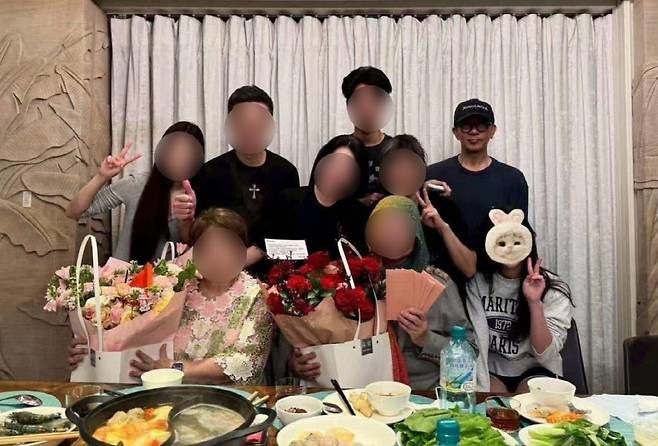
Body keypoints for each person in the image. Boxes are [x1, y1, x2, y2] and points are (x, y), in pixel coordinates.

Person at [69, 208, 274, 385]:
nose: (217, 256)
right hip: (165, 390)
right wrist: (94, 348)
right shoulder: (174, 287)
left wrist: (175, 368)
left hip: (231, 400)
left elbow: (246, 362)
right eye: (208, 248)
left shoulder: (256, 294)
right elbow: (130, 331)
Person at [173, 86, 299, 278]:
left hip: (270, 274)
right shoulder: (210, 171)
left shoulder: (286, 172)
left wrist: (239, 261)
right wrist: (185, 219)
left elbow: (284, 234)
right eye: (242, 122)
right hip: (217, 271)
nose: (250, 129)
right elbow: (192, 237)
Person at [66, 121, 205, 263]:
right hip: (123, 275)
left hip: (170, 276)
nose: (179, 157)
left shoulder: (205, 193)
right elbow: (74, 211)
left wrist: (185, 220)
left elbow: (195, 248)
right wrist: (101, 176)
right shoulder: (137, 184)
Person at [466, 211, 574, 393]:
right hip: (490, 369)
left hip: (537, 369)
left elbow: (546, 355)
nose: (509, 248)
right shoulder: (478, 283)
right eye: (501, 242)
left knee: (528, 403)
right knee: (495, 404)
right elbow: (478, 338)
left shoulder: (553, 289)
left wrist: (534, 302)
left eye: (516, 242)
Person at [426, 99, 529, 265]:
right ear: (456, 132)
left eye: (481, 125)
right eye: (466, 126)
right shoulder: (433, 175)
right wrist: (422, 188)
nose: (474, 131)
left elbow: (520, 234)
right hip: (443, 272)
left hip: (496, 270)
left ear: (492, 130)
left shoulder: (512, 178)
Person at [378, 134, 476, 282]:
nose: (402, 173)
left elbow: (469, 269)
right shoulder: (377, 210)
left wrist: (442, 228)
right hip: (393, 291)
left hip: (444, 291)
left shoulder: (443, 206)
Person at [264, 134, 370, 256]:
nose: (337, 172)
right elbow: (270, 247)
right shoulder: (287, 200)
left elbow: (358, 258)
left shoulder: (357, 213)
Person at [342, 66, 394, 207]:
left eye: (375, 100)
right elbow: (318, 201)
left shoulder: (397, 150)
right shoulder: (337, 150)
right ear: (349, 106)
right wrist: (358, 204)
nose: (368, 108)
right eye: (360, 100)